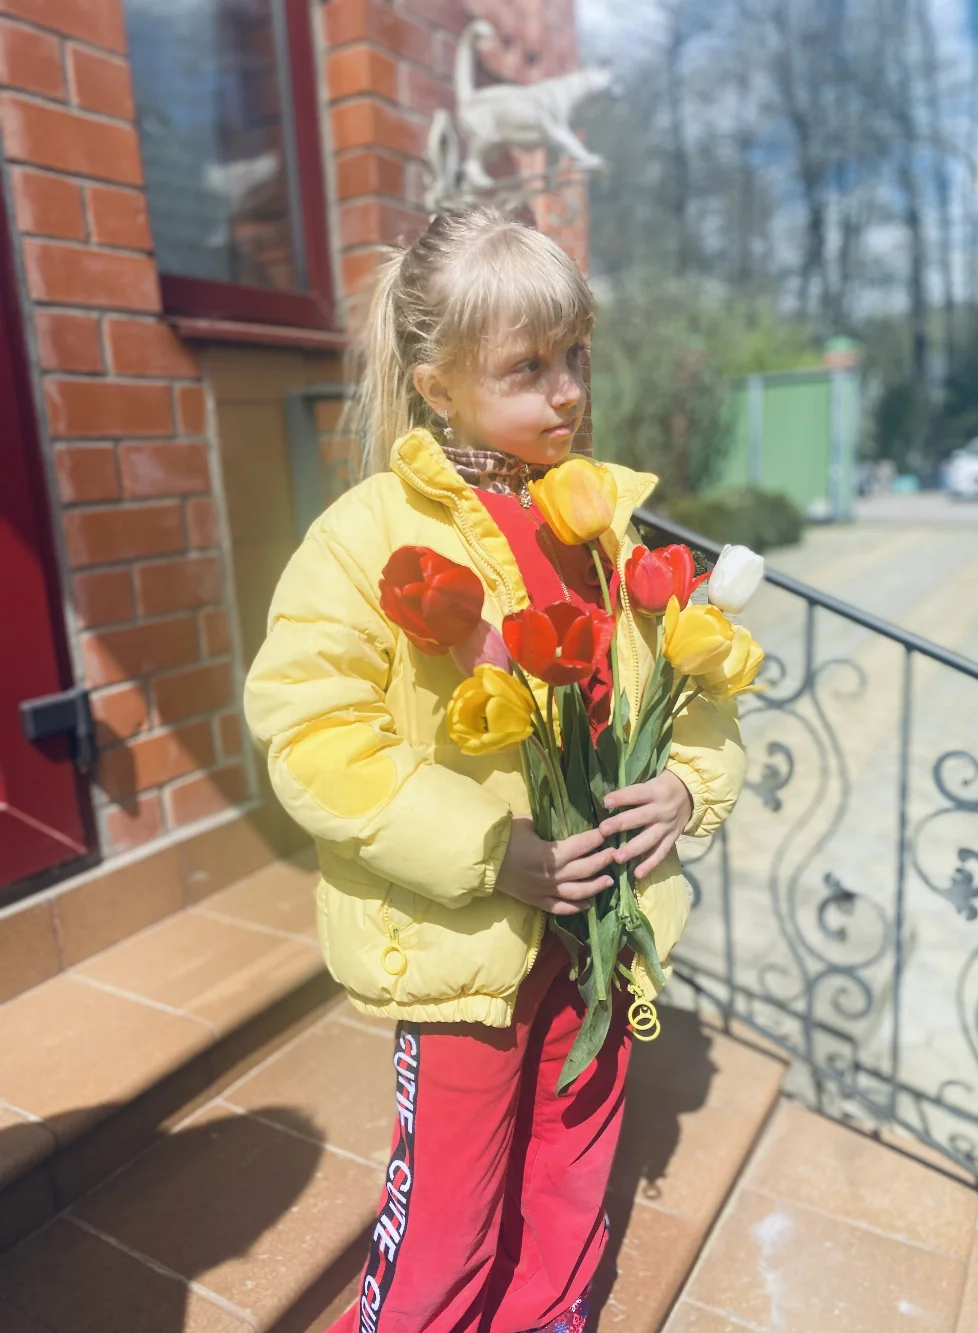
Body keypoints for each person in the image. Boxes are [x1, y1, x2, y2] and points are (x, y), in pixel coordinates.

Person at [244, 206, 746, 1333]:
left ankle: (547, 1316)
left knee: (572, 1159)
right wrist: (487, 850)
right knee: (450, 1206)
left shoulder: (604, 527)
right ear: (438, 384)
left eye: (577, 356)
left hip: (601, 929)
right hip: (463, 946)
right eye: (528, 368)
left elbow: (697, 685)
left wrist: (688, 785)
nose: (568, 393)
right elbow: (313, 733)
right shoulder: (364, 538)